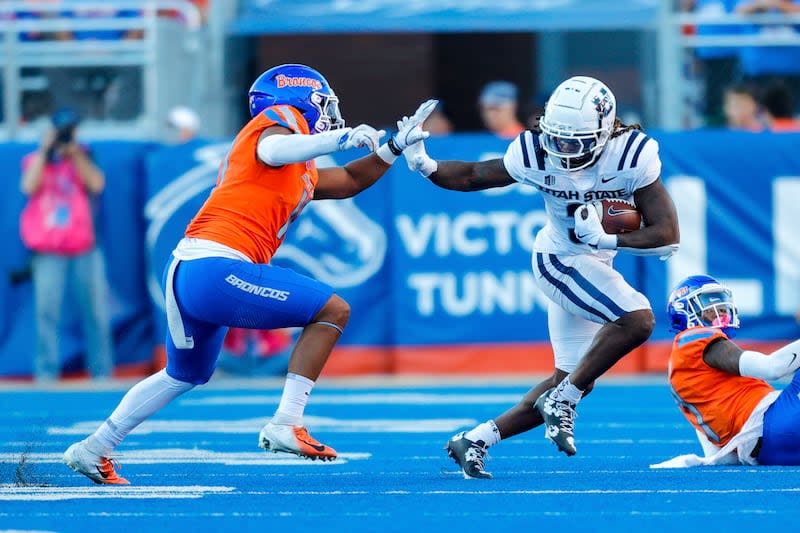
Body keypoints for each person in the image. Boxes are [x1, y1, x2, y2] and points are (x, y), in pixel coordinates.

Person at [62, 63, 436, 484]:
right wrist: (340, 137)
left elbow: (348, 179)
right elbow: (274, 151)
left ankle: (93, 448)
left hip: (190, 268)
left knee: (183, 374)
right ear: (299, 101)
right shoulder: (278, 125)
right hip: (217, 266)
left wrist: (394, 148)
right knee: (332, 310)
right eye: (322, 103)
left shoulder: (301, 168)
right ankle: (286, 422)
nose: (330, 112)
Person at [404, 75, 680, 478]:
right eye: (558, 138)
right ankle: (562, 401)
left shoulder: (631, 155)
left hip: (595, 260)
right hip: (559, 259)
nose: (564, 149)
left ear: (605, 131)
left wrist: (608, 238)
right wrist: (424, 164)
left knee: (571, 379)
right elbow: (475, 175)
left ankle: (476, 439)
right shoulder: (535, 151)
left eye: (576, 140)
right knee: (637, 320)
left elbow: (667, 234)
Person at [651, 275, 800, 468]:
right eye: (708, 301)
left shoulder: (687, 366)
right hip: (774, 423)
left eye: (721, 300)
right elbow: (771, 367)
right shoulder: (695, 339)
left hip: (767, 452)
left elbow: (718, 453)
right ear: (684, 310)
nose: (720, 307)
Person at [19, 108, 114, 382]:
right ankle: (45, 375)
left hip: (85, 246)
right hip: (48, 250)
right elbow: (28, 187)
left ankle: (101, 374)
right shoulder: (34, 159)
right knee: (46, 313)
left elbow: (97, 184)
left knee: (96, 312)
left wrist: (75, 154)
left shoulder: (84, 155)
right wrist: (44, 151)